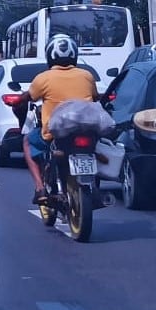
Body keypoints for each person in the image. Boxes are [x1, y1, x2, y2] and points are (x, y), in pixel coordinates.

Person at [17, 34, 98, 205]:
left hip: (56, 133)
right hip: (87, 129)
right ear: (74, 55)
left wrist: (18, 100)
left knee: (26, 141)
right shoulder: (87, 75)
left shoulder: (43, 78)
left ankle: (40, 188)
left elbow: (28, 97)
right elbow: (95, 97)